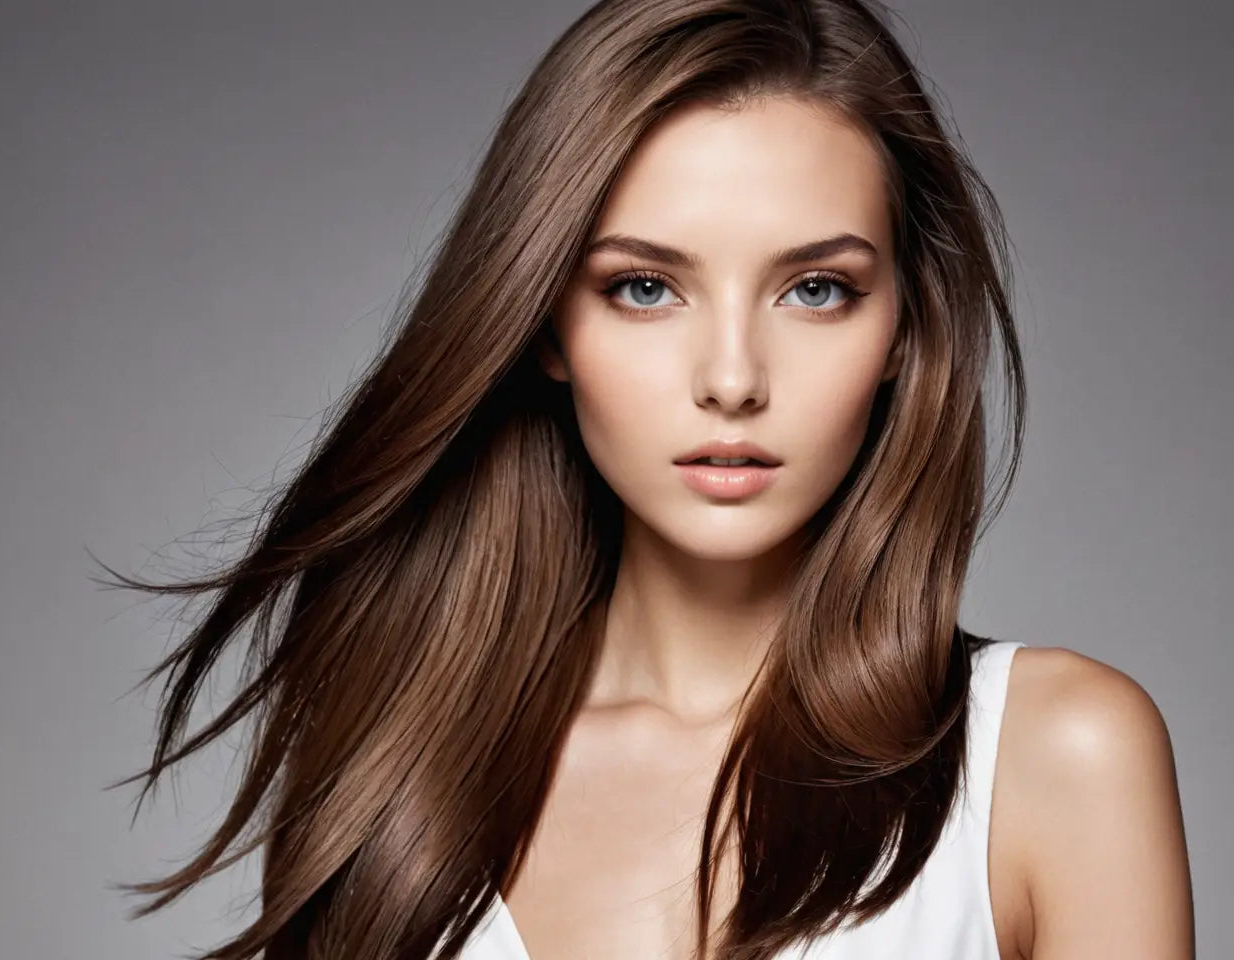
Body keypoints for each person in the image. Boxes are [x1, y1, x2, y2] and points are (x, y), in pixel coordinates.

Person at [99, 0, 1194, 957]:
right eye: (643, 289)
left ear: (906, 327)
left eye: (813, 289)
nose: (730, 378)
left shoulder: (1054, 758)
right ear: (544, 325)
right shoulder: (397, 770)